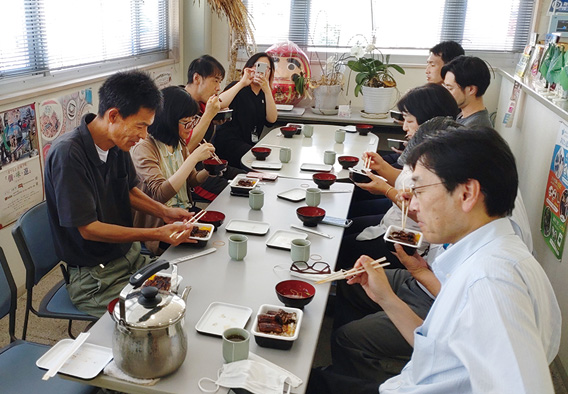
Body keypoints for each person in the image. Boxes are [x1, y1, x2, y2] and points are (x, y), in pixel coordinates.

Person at [308, 127, 561, 394]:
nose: (413, 206)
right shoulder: (492, 254)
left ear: (466, 194)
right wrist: (385, 298)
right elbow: (438, 350)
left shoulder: (492, 281)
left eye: (419, 190)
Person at [44, 70, 197, 317]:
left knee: (185, 291)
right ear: (113, 115)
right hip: (94, 277)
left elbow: (128, 191)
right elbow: (89, 228)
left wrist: (164, 212)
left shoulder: (117, 143)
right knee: (153, 317)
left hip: (130, 258)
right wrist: (156, 232)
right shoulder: (68, 155)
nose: (144, 135)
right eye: (141, 126)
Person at [341, 85, 460, 269]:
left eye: (409, 120)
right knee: (342, 226)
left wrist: (385, 189)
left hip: (412, 240)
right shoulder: (423, 145)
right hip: (394, 222)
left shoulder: (439, 158)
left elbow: (422, 211)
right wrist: (381, 167)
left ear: (428, 119)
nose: (404, 127)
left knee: (341, 247)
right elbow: (406, 180)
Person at [131, 86, 216, 255]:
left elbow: (191, 180)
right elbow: (159, 194)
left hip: (183, 213)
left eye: (193, 121)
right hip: (160, 224)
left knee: (217, 231)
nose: (190, 128)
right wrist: (192, 158)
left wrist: (209, 169)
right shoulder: (144, 147)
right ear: (168, 119)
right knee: (202, 249)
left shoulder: (178, 142)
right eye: (186, 122)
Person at [183, 55, 251, 201]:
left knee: (250, 180)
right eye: (215, 81)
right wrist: (208, 117)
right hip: (191, 175)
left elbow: (221, 101)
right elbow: (185, 148)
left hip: (211, 166)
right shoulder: (178, 103)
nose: (218, 87)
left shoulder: (201, 102)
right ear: (197, 79)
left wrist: (242, 83)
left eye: (220, 82)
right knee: (240, 195)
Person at [214, 52, 278, 168]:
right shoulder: (237, 86)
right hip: (228, 143)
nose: (260, 71)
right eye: (257, 66)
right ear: (249, 68)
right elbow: (218, 104)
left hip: (248, 144)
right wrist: (242, 82)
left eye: (266, 68)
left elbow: (272, 119)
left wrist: (267, 89)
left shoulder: (264, 94)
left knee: (270, 158)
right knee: (262, 162)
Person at [441, 55, 493, 127]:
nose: (445, 93)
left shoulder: (474, 129)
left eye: (450, 88)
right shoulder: (463, 115)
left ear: (471, 89)